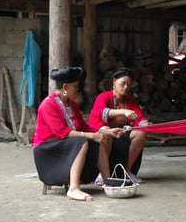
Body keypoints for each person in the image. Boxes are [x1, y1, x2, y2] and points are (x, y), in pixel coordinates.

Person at [33, 66, 124, 201]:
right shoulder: (48, 105)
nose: (78, 89)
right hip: (48, 151)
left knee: (97, 142)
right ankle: (73, 188)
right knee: (82, 142)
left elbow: (84, 127)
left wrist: (107, 131)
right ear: (65, 87)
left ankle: (107, 181)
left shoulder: (72, 104)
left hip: (63, 145)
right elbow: (62, 133)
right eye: (75, 86)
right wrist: (91, 136)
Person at [89, 67, 151, 184]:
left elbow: (139, 117)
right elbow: (100, 112)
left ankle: (127, 171)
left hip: (120, 134)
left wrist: (144, 124)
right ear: (114, 82)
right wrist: (123, 111)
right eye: (123, 83)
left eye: (129, 84)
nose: (126, 87)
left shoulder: (129, 101)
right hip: (101, 133)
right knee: (107, 130)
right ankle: (102, 173)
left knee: (141, 132)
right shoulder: (103, 97)